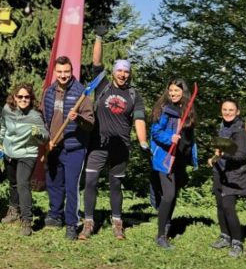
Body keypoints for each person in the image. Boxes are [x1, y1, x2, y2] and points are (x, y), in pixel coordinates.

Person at [80, 35, 146, 240]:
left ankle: (117, 222)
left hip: (121, 147)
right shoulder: (103, 86)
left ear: (130, 74)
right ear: (114, 72)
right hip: (98, 144)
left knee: (116, 184)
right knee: (91, 182)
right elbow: (96, 62)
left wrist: (143, 141)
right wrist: (99, 38)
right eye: (120, 70)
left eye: (126, 71)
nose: (123, 74)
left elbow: (139, 119)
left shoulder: (134, 95)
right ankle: (88, 222)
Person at [41, 55, 95, 240]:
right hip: (54, 145)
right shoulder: (49, 92)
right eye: (60, 72)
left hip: (74, 148)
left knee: (72, 186)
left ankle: (71, 223)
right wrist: (46, 139)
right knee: (54, 183)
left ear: (72, 72)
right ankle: (55, 215)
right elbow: (43, 118)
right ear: (55, 72)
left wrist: (77, 118)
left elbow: (90, 123)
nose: (63, 75)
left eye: (66, 72)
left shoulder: (82, 93)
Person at [149, 78, 197, 249]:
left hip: (180, 159)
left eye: (177, 90)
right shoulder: (164, 109)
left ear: (183, 92)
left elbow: (190, 136)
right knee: (168, 195)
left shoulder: (187, 110)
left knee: (173, 195)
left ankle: (167, 224)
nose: (173, 93)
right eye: (171, 90)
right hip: (165, 158)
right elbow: (155, 132)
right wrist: (170, 138)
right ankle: (161, 235)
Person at [0, 83, 46, 237]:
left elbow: (45, 137)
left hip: (27, 153)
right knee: (13, 183)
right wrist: (0, 145)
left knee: (23, 184)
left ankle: (26, 221)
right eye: (20, 96)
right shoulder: (7, 109)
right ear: (14, 97)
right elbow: (3, 127)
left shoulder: (35, 116)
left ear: (31, 99)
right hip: (9, 153)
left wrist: (38, 134)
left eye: (27, 97)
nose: (23, 99)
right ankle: (14, 211)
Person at [210, 99, 246, 258]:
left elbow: (241, 155)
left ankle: (237, 242)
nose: (227, 113)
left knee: (228, 208)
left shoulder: (240, 131)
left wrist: (223, 155)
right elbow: (220, 150)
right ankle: (225, 236)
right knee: (220, 206)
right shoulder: (223, 127)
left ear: (238, 112)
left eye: (231, 110)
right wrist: (214, 158)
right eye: (225, 109)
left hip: (234, 175)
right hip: (219, 171)